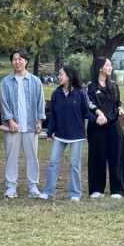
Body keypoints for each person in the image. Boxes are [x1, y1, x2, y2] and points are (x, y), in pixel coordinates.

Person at [39, 66, 97, 201]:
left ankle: (75, 193)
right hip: (60, 135)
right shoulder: (56, 94)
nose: (59, 77)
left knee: (75, 164)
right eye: (59, 74)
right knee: (53, 162)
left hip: (77, 135)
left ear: (69, 76)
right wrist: (49, 133)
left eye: (61, 74)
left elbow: (86, 112)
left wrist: (97, 120)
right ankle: (48, 191)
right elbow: (52, 115)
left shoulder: (81, 93)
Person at [0, 49, 46, 199]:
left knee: (32, 157)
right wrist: (10, 120)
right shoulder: (6, 81)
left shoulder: (35, 81)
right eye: (14, 59)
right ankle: (11, 187)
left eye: (20, 59)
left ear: (26, 61)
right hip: (13, 127)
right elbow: (4, 103)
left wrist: (40, 121)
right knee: (11, 156)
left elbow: (40, 102)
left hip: (31, 125)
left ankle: (33, 186)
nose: (17, 62)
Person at [86, 57, 124, 199]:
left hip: (113, 125)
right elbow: (90, 104)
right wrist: (99, 114)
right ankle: (97, 189)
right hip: (97, 127)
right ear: (99, 68)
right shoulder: (91, 86)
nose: (110, 68)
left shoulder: (114, 85)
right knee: (97, 157)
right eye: (108, 65)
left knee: (117, 157)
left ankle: (118, 190)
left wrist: (120, 110)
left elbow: (117, 103)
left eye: (111, 65)